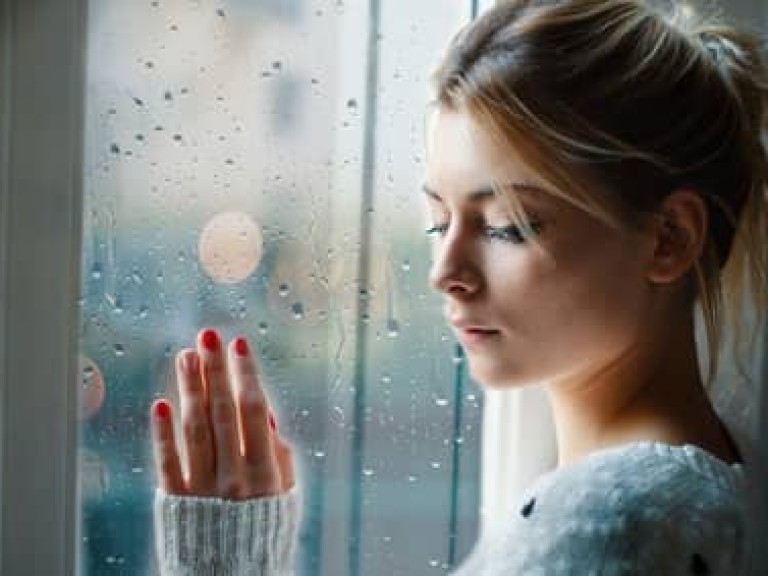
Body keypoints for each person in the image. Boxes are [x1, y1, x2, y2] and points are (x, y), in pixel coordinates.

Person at [150, 0, 768, 574]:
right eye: (438, 221)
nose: (444, 272)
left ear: (669, 239)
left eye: (507, 227)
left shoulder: (604, 527)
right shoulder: (706, 478)